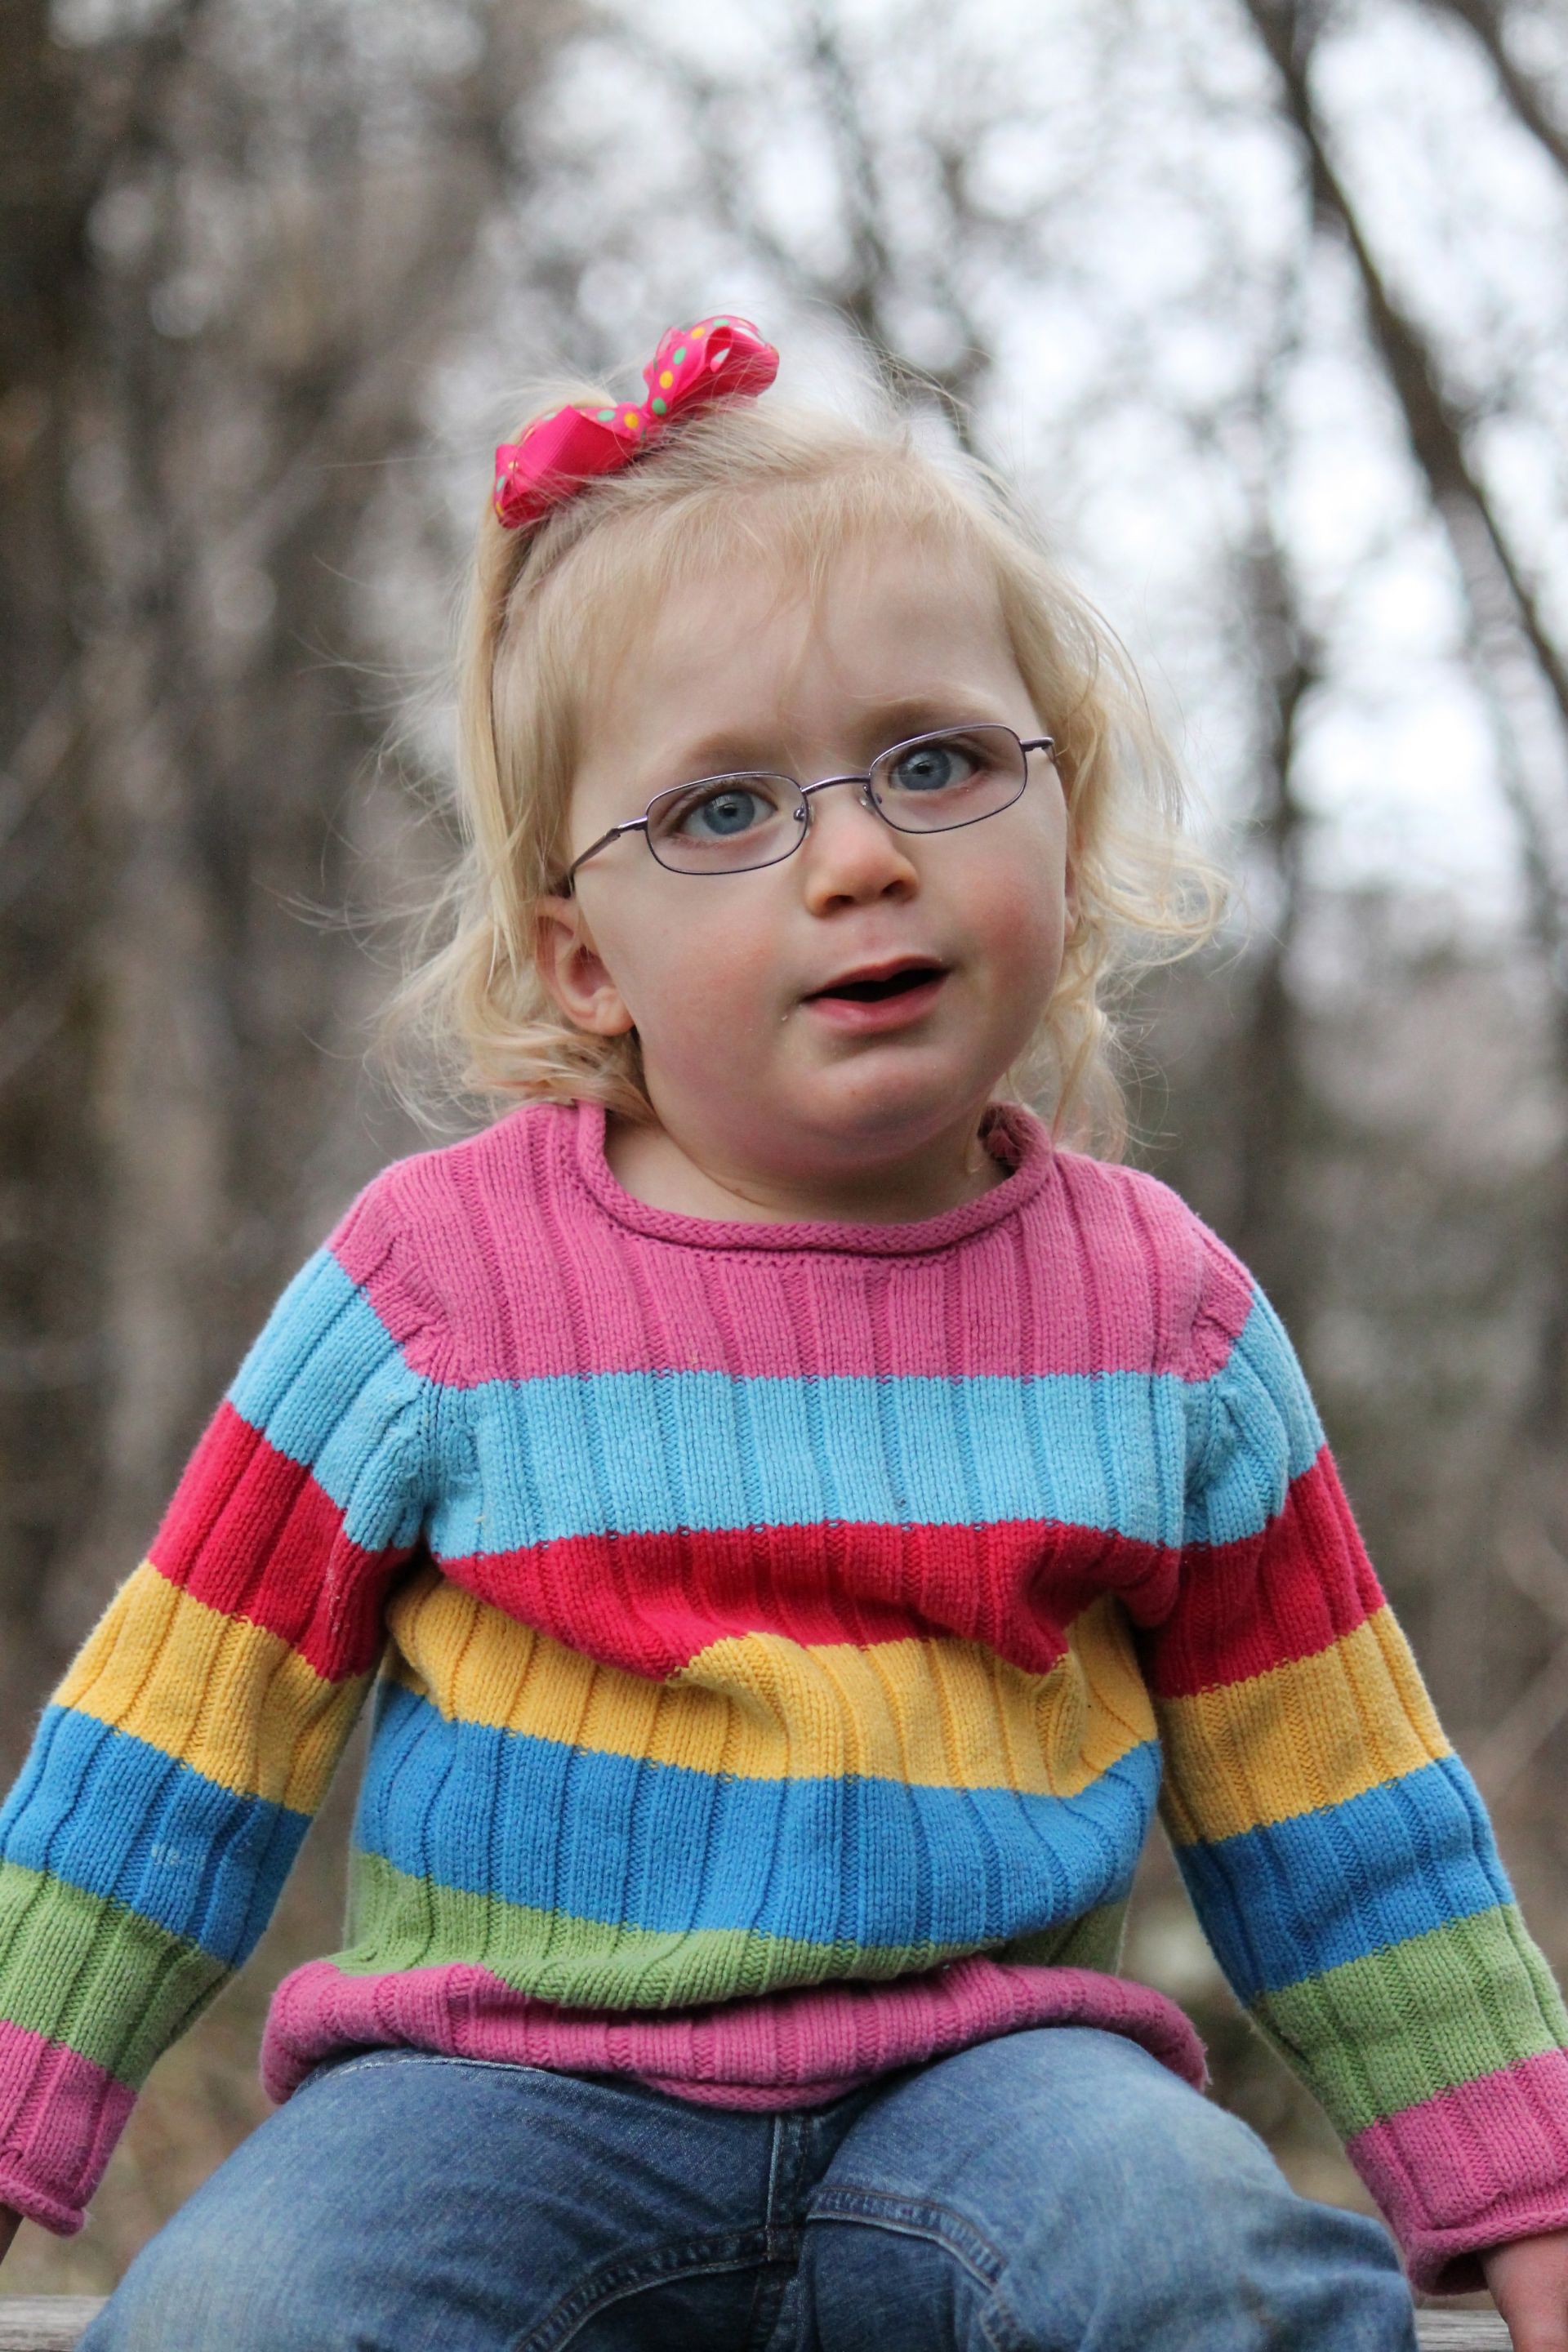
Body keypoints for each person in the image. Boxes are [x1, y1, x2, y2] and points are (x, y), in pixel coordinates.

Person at [1, 314, 1565, 2352]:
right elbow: (170, 1753)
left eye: (935, 761)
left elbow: (1347, 1814)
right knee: (249, 2311)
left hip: (1003, 2093)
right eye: (722, 813)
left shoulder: (1159, 1319)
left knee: (1204, 2253)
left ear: (1063, 826)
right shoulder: (434, 1290)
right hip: (490, 2102)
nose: (857, 855)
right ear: (583, 959)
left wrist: (1526, 2193)